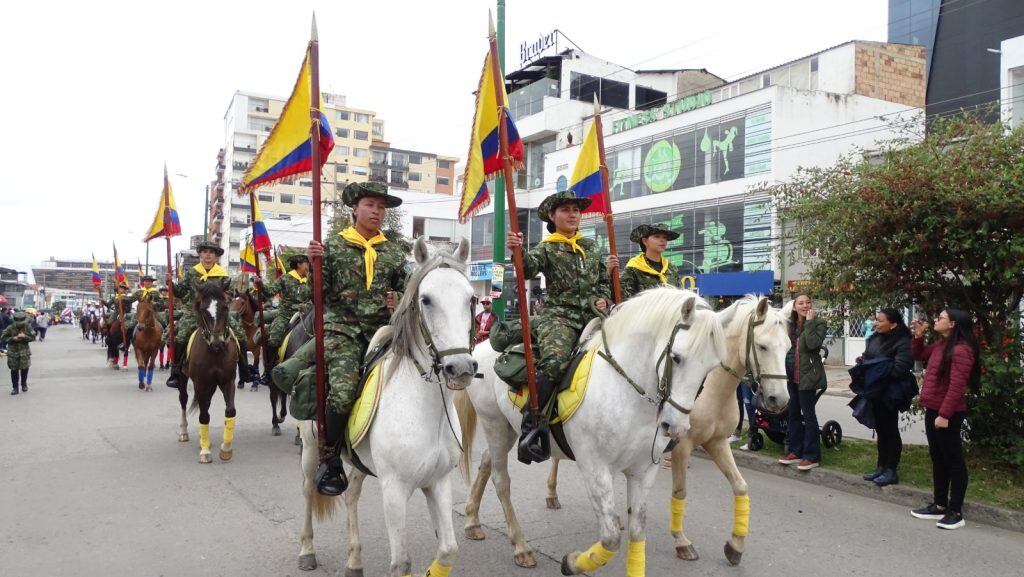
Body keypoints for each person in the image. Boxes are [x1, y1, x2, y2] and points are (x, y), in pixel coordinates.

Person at [307, 182, 409, 496]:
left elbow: (406, 289)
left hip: (382, 332)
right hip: (343, 331)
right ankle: (330, 459)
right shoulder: (333, 246)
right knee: (342, 391)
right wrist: (314, 266)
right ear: (354, 208)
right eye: (370, 205)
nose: (376, 211)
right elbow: (317, 295)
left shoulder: (392, 250)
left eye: (381, 207)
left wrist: (399, 297)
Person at [507, 190, 613, 464]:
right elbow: (526, 270)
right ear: (552, 217)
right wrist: (517, 250)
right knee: (555, 362)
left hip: (593, 315)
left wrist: (605, 298)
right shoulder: (546, 247)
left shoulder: (591, 247)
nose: (573, 214)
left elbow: (603, 281)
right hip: (559, 317)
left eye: (576, 210)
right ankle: (532, 424)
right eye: (566, 210)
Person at [909, 309, 978, 530]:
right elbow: (919, 355)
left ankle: (955, 511)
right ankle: (939, 505)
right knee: (938, 458)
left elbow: (957, 387)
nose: (935, 320)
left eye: (940, 318)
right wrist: (918, 336)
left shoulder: (961, 350)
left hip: (948, 413)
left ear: (953, 324)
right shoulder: (941, 345)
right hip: (934, 409)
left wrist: (945, 415)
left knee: (953, 461)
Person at [165, 241, 248, 389]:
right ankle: (176, 371)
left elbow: (228, 293)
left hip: (216, 312)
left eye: (211, 252)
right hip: (195, 311)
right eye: (205, 252)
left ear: (216, 257)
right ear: (200, 255)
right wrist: (170, 284)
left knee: (240, 333)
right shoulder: (192, 273)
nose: (208, 255)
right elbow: (181, 292)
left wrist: (221, 298)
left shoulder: (222, 275)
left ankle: (245, 370)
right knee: (182, 334)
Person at [859, 308, 913, 486]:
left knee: (890, 430)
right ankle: (880, 467)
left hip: (890, 393)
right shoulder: (874, 338)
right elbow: (868, 357)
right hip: (875, 391)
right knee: (881, 430)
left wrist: (876, 370)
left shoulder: (903, 341)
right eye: (876, 320)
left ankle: (891, 470)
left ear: (893, 324)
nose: (876, 323)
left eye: (881, 321)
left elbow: (900, 368)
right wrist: (863, 363)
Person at [778, 292, 827, 471]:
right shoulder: (789, 324)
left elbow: (812, 344)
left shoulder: (819, 323)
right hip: (790, 372)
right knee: (792, 414)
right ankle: (795, 451)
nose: (805, 306)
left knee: (808, 414)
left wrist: (809, 323)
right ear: (794, 306)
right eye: (801, 303)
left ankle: (812, 455)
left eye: (807, 302)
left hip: (807, 375)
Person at [256, 252, 311, 383]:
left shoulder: (311, 280)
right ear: (299, 264)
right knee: (274, 338)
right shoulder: (285, 278)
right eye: (306, 264)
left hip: (306, 314)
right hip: (286, 314)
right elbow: (269, 292)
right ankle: (268, 371)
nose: (308, 267)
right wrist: (260, 285)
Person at [619, 223, 680, 299]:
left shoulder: (671, 268)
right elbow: (623, 298)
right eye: (657, 236)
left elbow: (679, 296)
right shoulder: (634, 268)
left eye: (665, 237)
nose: (662, 240)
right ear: (645, 241)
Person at [2, 311, 36, 394]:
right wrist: (12, 338)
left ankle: (24, 384)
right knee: (14, 370)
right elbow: (3, 337)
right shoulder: (10, 328)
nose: (20, 324)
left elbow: (33, 337)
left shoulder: (27, 327)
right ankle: (15, 387)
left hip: (24, 352)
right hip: (13, 352)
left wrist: (25, 337)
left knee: (24, 369)